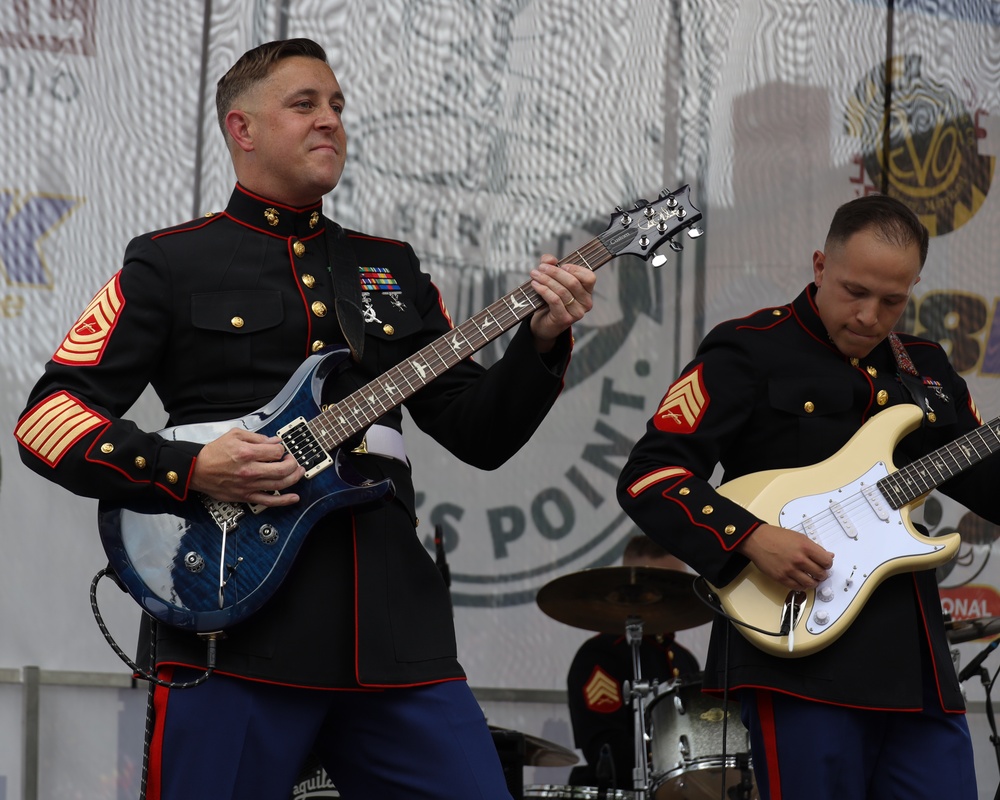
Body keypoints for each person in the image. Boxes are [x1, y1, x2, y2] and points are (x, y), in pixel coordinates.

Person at [14, 38, 596, 800]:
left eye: (338, 106)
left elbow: (478, 433)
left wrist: (542, 342)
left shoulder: (392, 269)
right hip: (234, 629)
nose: (330, 121)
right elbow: (48, 421)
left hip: (393, 637)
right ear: (242, 129)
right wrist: (189, 468)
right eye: (305, 105)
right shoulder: (168, 263)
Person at [616, 194, 998, 800]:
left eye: (893, 301)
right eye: (854, 291)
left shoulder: (923, 367)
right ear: (820, 265)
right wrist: (750, 538)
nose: (870, 316)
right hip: (799, 656)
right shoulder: (748, 348)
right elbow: (650, 475)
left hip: (914, 662)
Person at [565, 535, 700, 790]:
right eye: (653, 591)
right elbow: (604, 749)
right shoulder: (599, 655)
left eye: (676, 588)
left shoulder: (684, 658)